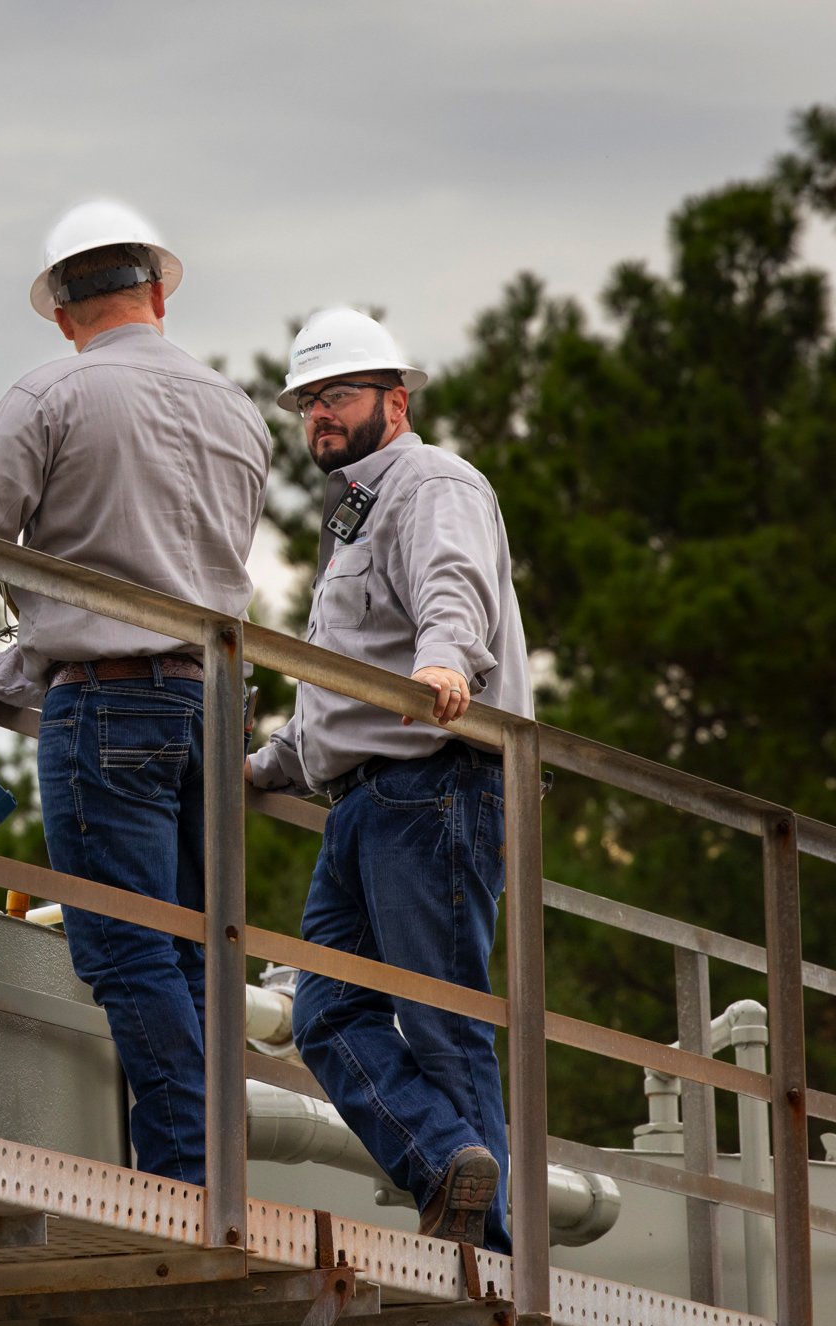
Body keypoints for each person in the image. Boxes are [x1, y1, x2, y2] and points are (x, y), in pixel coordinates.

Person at [0, 201, 270, 1184]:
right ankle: (220, 1166)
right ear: (155, 293)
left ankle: (185, 1177)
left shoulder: (50, 394)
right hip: (212, 700)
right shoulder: (234, 406)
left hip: (107, 701)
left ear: (62, 314)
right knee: (205, 944)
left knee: (125, 946)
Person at [245, 307, 532, 1251]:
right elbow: (341, 679)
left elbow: (453, 589)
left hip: (431, 786)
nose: (318, 415)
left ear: (393, 401)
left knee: (442, 1024)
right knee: (325, 1013)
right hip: (366, 803)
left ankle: (490, 1259)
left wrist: (448, 663)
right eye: (307, 402)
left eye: (336, 395)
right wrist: (265, 769)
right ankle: (450, 1164)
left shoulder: (432, 482)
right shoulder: (354, 513)